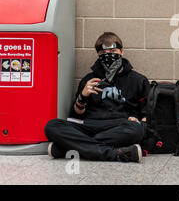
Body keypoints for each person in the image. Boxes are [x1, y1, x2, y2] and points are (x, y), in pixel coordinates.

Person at [45, 32, 150, 163]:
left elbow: (147, 117)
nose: (109, 55)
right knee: (52, 126)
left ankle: (69, 148)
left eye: (113, 51)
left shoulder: (138, 80)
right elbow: (76, 115)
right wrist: (82, 96)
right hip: (90, 125)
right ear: (98, 55)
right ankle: (114, 154)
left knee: (137, 130)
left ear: (121, 52)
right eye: (103, 53)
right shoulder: (89, 79)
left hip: (120, 126)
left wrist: (139, 121)